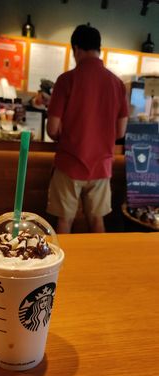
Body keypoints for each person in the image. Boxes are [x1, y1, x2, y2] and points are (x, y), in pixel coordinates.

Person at [46, 24, 129, 233]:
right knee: (97, 222)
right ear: (98, 48)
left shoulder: (66, 80)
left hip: (69, 164)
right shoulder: (117, 84)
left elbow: (52, 128)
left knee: (65, 222)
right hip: (101, 166)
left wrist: (65, 134)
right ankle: (99, 265)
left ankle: (59, 267)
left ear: (76, 49)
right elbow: (120, 132)